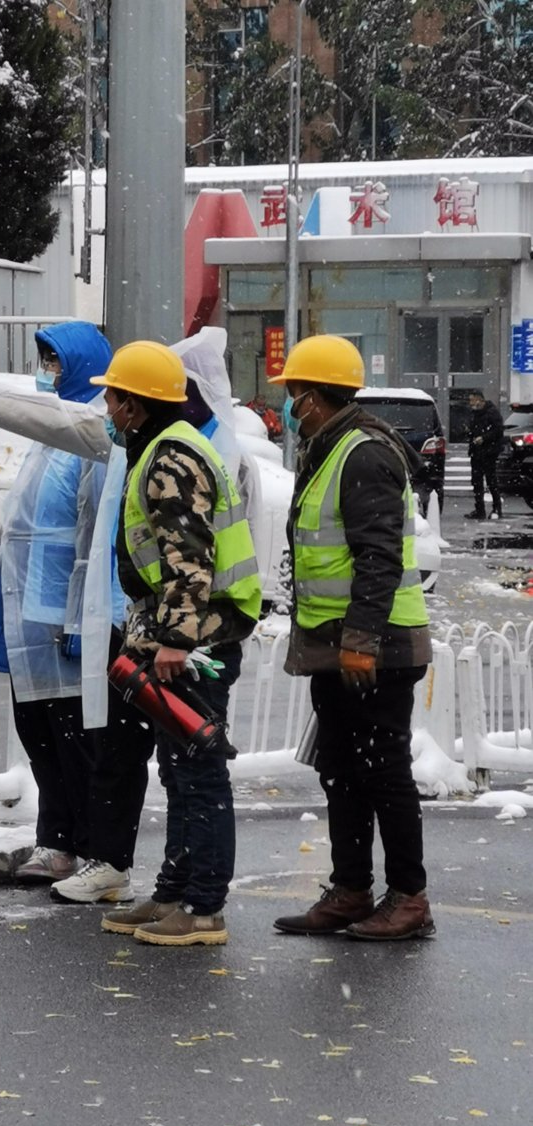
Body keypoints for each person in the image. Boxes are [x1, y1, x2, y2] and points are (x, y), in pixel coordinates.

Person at [0, 322, 152, 900]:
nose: (47, 371)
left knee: (75, 734)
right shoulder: (52, 431)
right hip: (25, 604)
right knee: (39, 729)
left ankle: (78, 844)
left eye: (56, 361)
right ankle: (55, 838)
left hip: (66, 610)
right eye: (44, 360)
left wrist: (85, 615)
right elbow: (26, 510)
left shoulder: (95, 434)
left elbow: (96, 532)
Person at [87, 340, 262, 947]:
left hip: (198, 640)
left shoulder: (171, 459)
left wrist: (175, 641)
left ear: (135, 405)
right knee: (180, 770)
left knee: (199, 773)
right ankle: (173, 893)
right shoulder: (169, 446)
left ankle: (205, 906)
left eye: (113, 396)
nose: (107, 407)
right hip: (190, 635)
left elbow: (191, 561)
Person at [268, 334, 435, 941]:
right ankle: (351, 888)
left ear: (313, 396)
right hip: (336, 646)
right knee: (341, 768)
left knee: (382, 770)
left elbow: (378, 557)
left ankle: (410, 898)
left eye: (293, 394)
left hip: (376, 648)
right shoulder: (329, 446)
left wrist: (361, 638)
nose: (289, 405)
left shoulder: (362, 454)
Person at [465, 391, 504, 520]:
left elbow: (498, 430)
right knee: (476, 481)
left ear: (480, 400)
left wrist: (484, 438)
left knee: (491, 481)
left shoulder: (491, 412)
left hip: (489, 453)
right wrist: (469, 433)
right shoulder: (475, 414)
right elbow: (473, 429)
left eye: (472, 400)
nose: (471, 403)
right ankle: (479, 509)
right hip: (476, 452)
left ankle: (497, 508)